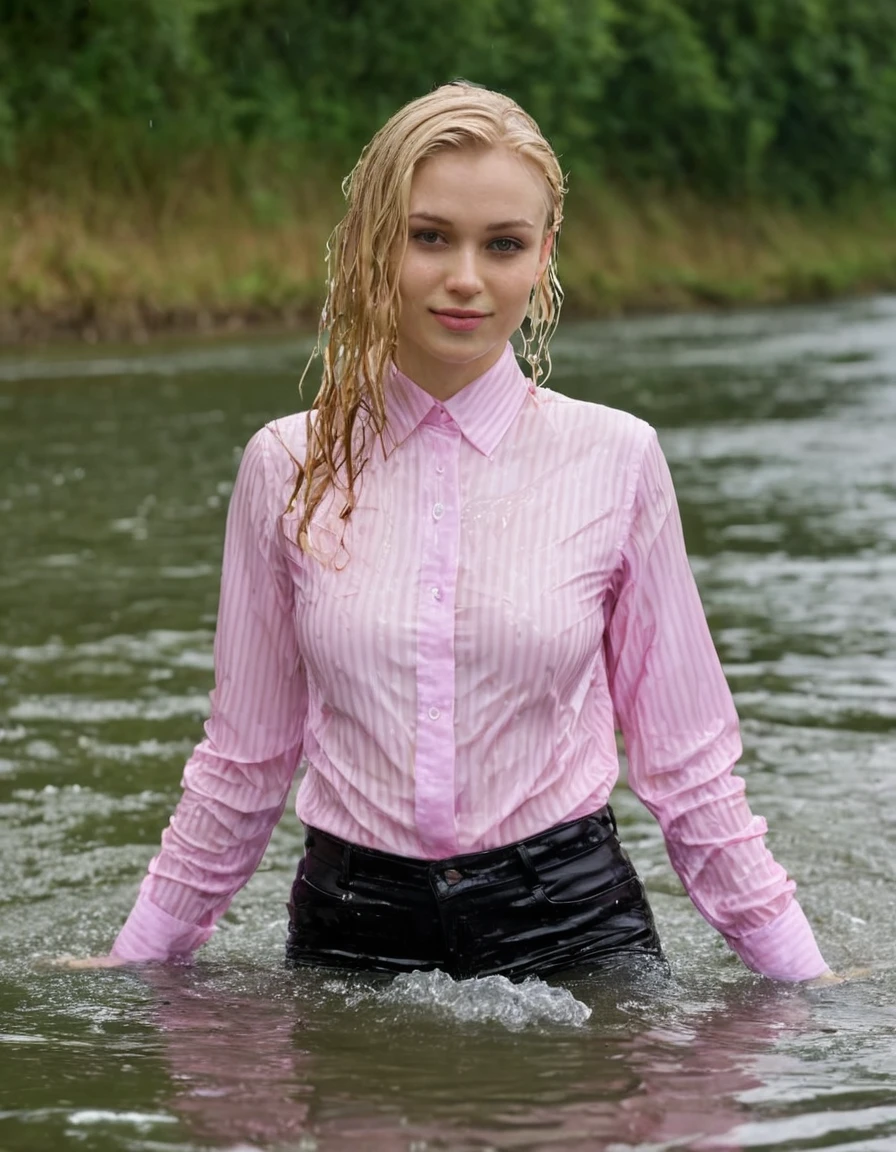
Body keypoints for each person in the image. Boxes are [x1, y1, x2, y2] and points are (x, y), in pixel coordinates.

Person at [70, 82, 833, 983]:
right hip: (353, 929)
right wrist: (133, 964)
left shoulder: (618, 457)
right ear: (371, 243)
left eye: (502, 245)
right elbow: (244, 757)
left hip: (571, 924)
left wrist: (803, 984)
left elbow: (688, 765)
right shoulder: (284, 465)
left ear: (543, 257)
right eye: (430, 237)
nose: (465, 277)